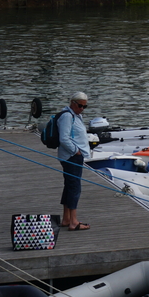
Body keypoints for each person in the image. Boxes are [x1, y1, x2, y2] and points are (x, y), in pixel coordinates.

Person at [58, 91, 91, 231]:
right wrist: (76, 151)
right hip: (71, 157)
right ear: (72, 103)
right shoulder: (67, 116)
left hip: (75, 156)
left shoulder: (76, 115)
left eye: (85, 106)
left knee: (69, 186)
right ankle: (73, 222)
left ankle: (66, 219)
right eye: (80, 106)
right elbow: (64, 138)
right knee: (74, 187)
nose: (82, 109)